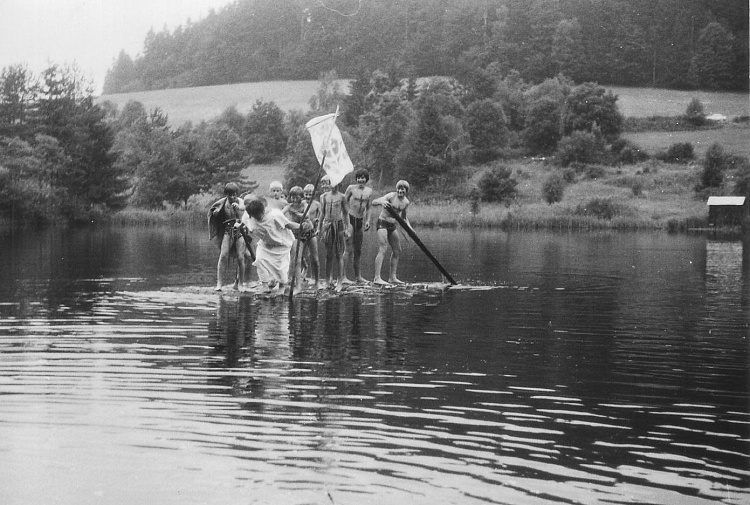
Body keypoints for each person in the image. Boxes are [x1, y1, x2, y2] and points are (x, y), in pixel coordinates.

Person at [239, 196, 311, 296]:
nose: (259, 218)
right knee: (259, 260)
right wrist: (239, 226)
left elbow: (288, 225)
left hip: (281, 244)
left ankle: (282, 287)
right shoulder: (249, 217)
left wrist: (301, 227)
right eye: (256, 217)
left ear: (263, 210)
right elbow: (244, 223)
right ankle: (265, 286)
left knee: (280, 268)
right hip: (265, 244)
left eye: (260, 215)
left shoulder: (275, 215)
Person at [208, 182, 249, 291]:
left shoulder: (240, 201)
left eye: (234, 194)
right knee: (223, 255)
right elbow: (214, 211)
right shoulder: (222, 203)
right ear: (226, 194)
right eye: (229, 195)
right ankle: (219, 284)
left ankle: (240, 284)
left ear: (237, 194)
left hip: (240, 232)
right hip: (228, 231)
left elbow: (243, 209)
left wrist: (238, 208)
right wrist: (216, 213)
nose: (232, 197)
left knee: (240, 257)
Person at [371, 180, 411, 286]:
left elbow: (404, 218)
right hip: (382, 222)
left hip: (392, 225)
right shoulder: (391, 196)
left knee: (397, 250)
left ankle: (392, 277)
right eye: (398, 189)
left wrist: (410, 229)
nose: (400, 191)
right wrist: (382, 202)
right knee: (383, 248)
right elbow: (374, 202)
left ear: (406, 190)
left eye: (402, 189)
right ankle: (377, 278)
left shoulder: (406, 202)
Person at [318, 174, 352, 291]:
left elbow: (346, 213)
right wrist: (319, 228)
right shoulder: (324, 197)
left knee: (339, 253)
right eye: (330, 183)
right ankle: (328, 280)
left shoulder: (342, 197)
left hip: (338, 225)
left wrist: (347, 228)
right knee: (328, 254)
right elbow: (322, 213)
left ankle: (340, 281)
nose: (332, 185)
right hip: (327, 225)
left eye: (334, 183)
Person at [343, 168, 373, 283]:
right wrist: (345, 221)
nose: (361, 180)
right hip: (350, 219)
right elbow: (343, 202)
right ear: (356, 179)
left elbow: (369, 207)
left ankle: (358, 277)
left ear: (366, 179)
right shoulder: (351, 188)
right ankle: (343, 277)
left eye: (363, 178)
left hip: (360, 221)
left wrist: (368, 220)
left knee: (358, 250)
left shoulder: (369, 191)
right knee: (348, 249)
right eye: (359, 178)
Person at [282, 186, 313, 292]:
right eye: (292, 197)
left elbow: (307, 215)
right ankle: (297, 285)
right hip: (295, 234)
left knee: (313, 257)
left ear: (301, 197)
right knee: (296, 259)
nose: (294, 200)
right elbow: (281, 214)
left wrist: (296, 214)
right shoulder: (289, 206)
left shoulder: (304, 204)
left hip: (307, 232)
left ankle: (313, 278)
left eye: (297, 197)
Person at [302, 183, 323, 290]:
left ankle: (316, 279)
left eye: (310, 194)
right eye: (306, 194)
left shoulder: (317, 204)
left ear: (314, 194)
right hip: (302, 232)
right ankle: (305, 267)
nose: (308, 196)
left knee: (314, 257)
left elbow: (321, 217)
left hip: (312, 232)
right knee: (300, 255)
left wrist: (318, 227)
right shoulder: (301, 203)